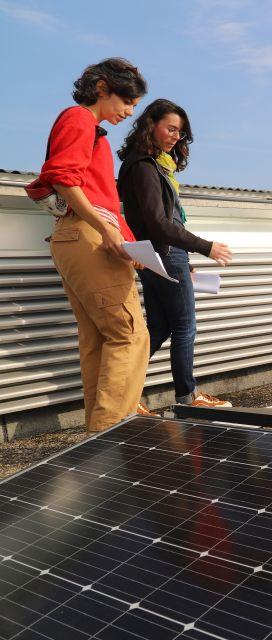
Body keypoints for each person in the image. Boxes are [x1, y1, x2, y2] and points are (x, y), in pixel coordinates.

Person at [29, 58, 150, 432]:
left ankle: (98, 435)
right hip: (87, 235)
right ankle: (112, 430)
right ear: (102, 88)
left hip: (78, 236)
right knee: (129, 333)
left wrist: (128, 243)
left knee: (98, 339)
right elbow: (65, 179)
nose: (129, 112)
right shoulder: (80, 119)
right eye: (127, 101)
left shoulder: (89, 128)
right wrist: (109, 232)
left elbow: (100, 197)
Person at [117, 99, 234, 408]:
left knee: (159, 327)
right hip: (163, 254)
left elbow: (160, 222)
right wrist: (205, 247)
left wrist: (188, 260)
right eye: (170, 128)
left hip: (156, 256)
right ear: (150, 124)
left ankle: (126, 395)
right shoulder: (144, 166)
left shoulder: (148, 164)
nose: (175, 136)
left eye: (180, 132)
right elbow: (158, 223)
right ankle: (187, 397)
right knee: (184, 326)